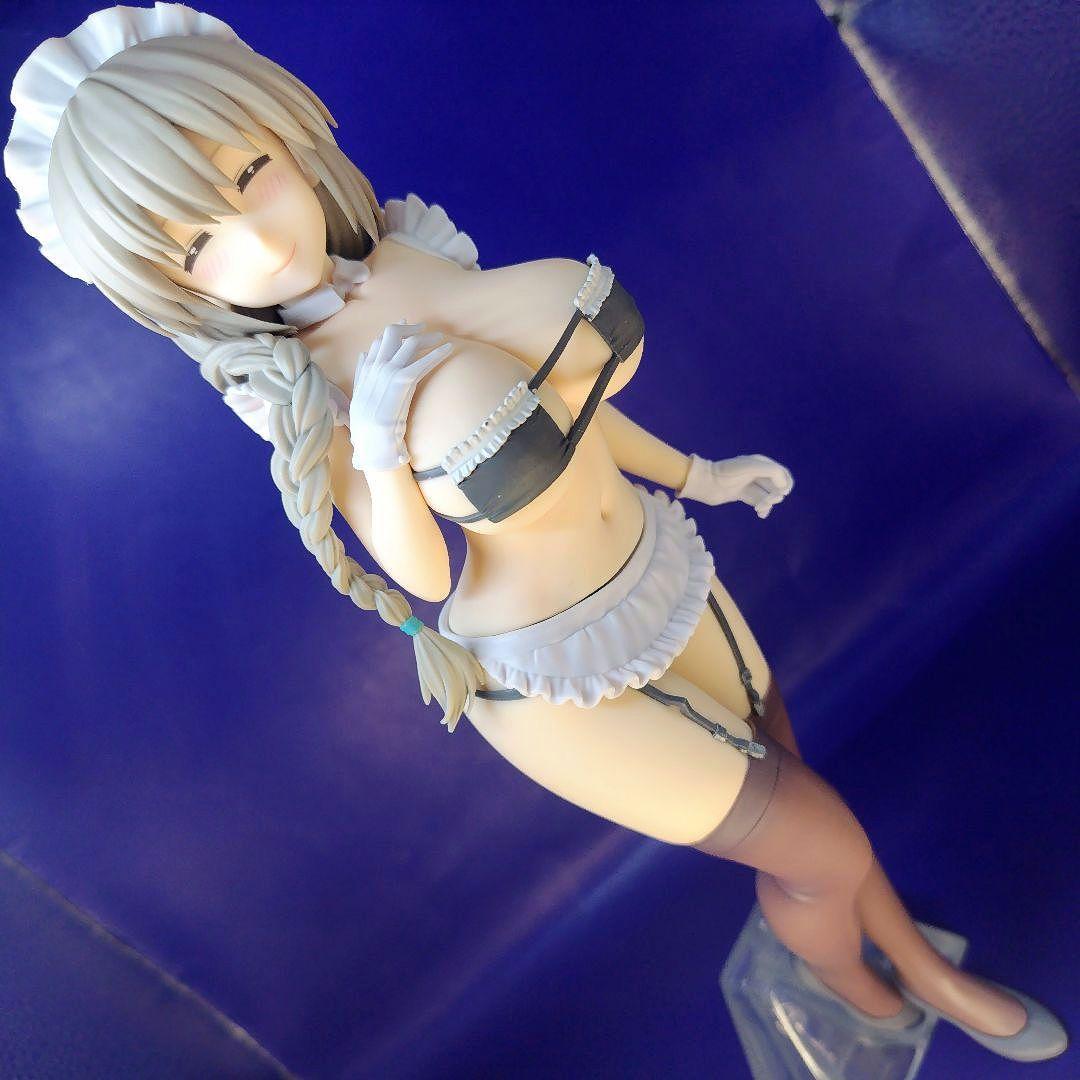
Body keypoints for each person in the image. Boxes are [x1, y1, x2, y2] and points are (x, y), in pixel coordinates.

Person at [5, 2, 1066, 1065]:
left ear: (289, 134)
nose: (262, 239)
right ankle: (868, 998)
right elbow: (420, 574)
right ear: (164, 285)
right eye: (199, 246)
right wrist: (376, 441)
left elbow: (570, 410)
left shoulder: (411, 255)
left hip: (657, 570)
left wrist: (700, 474)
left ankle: (924, 968)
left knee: (806, 798)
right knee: (817, 849)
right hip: (560, 681)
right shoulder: (302, 396)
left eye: (251, 175)